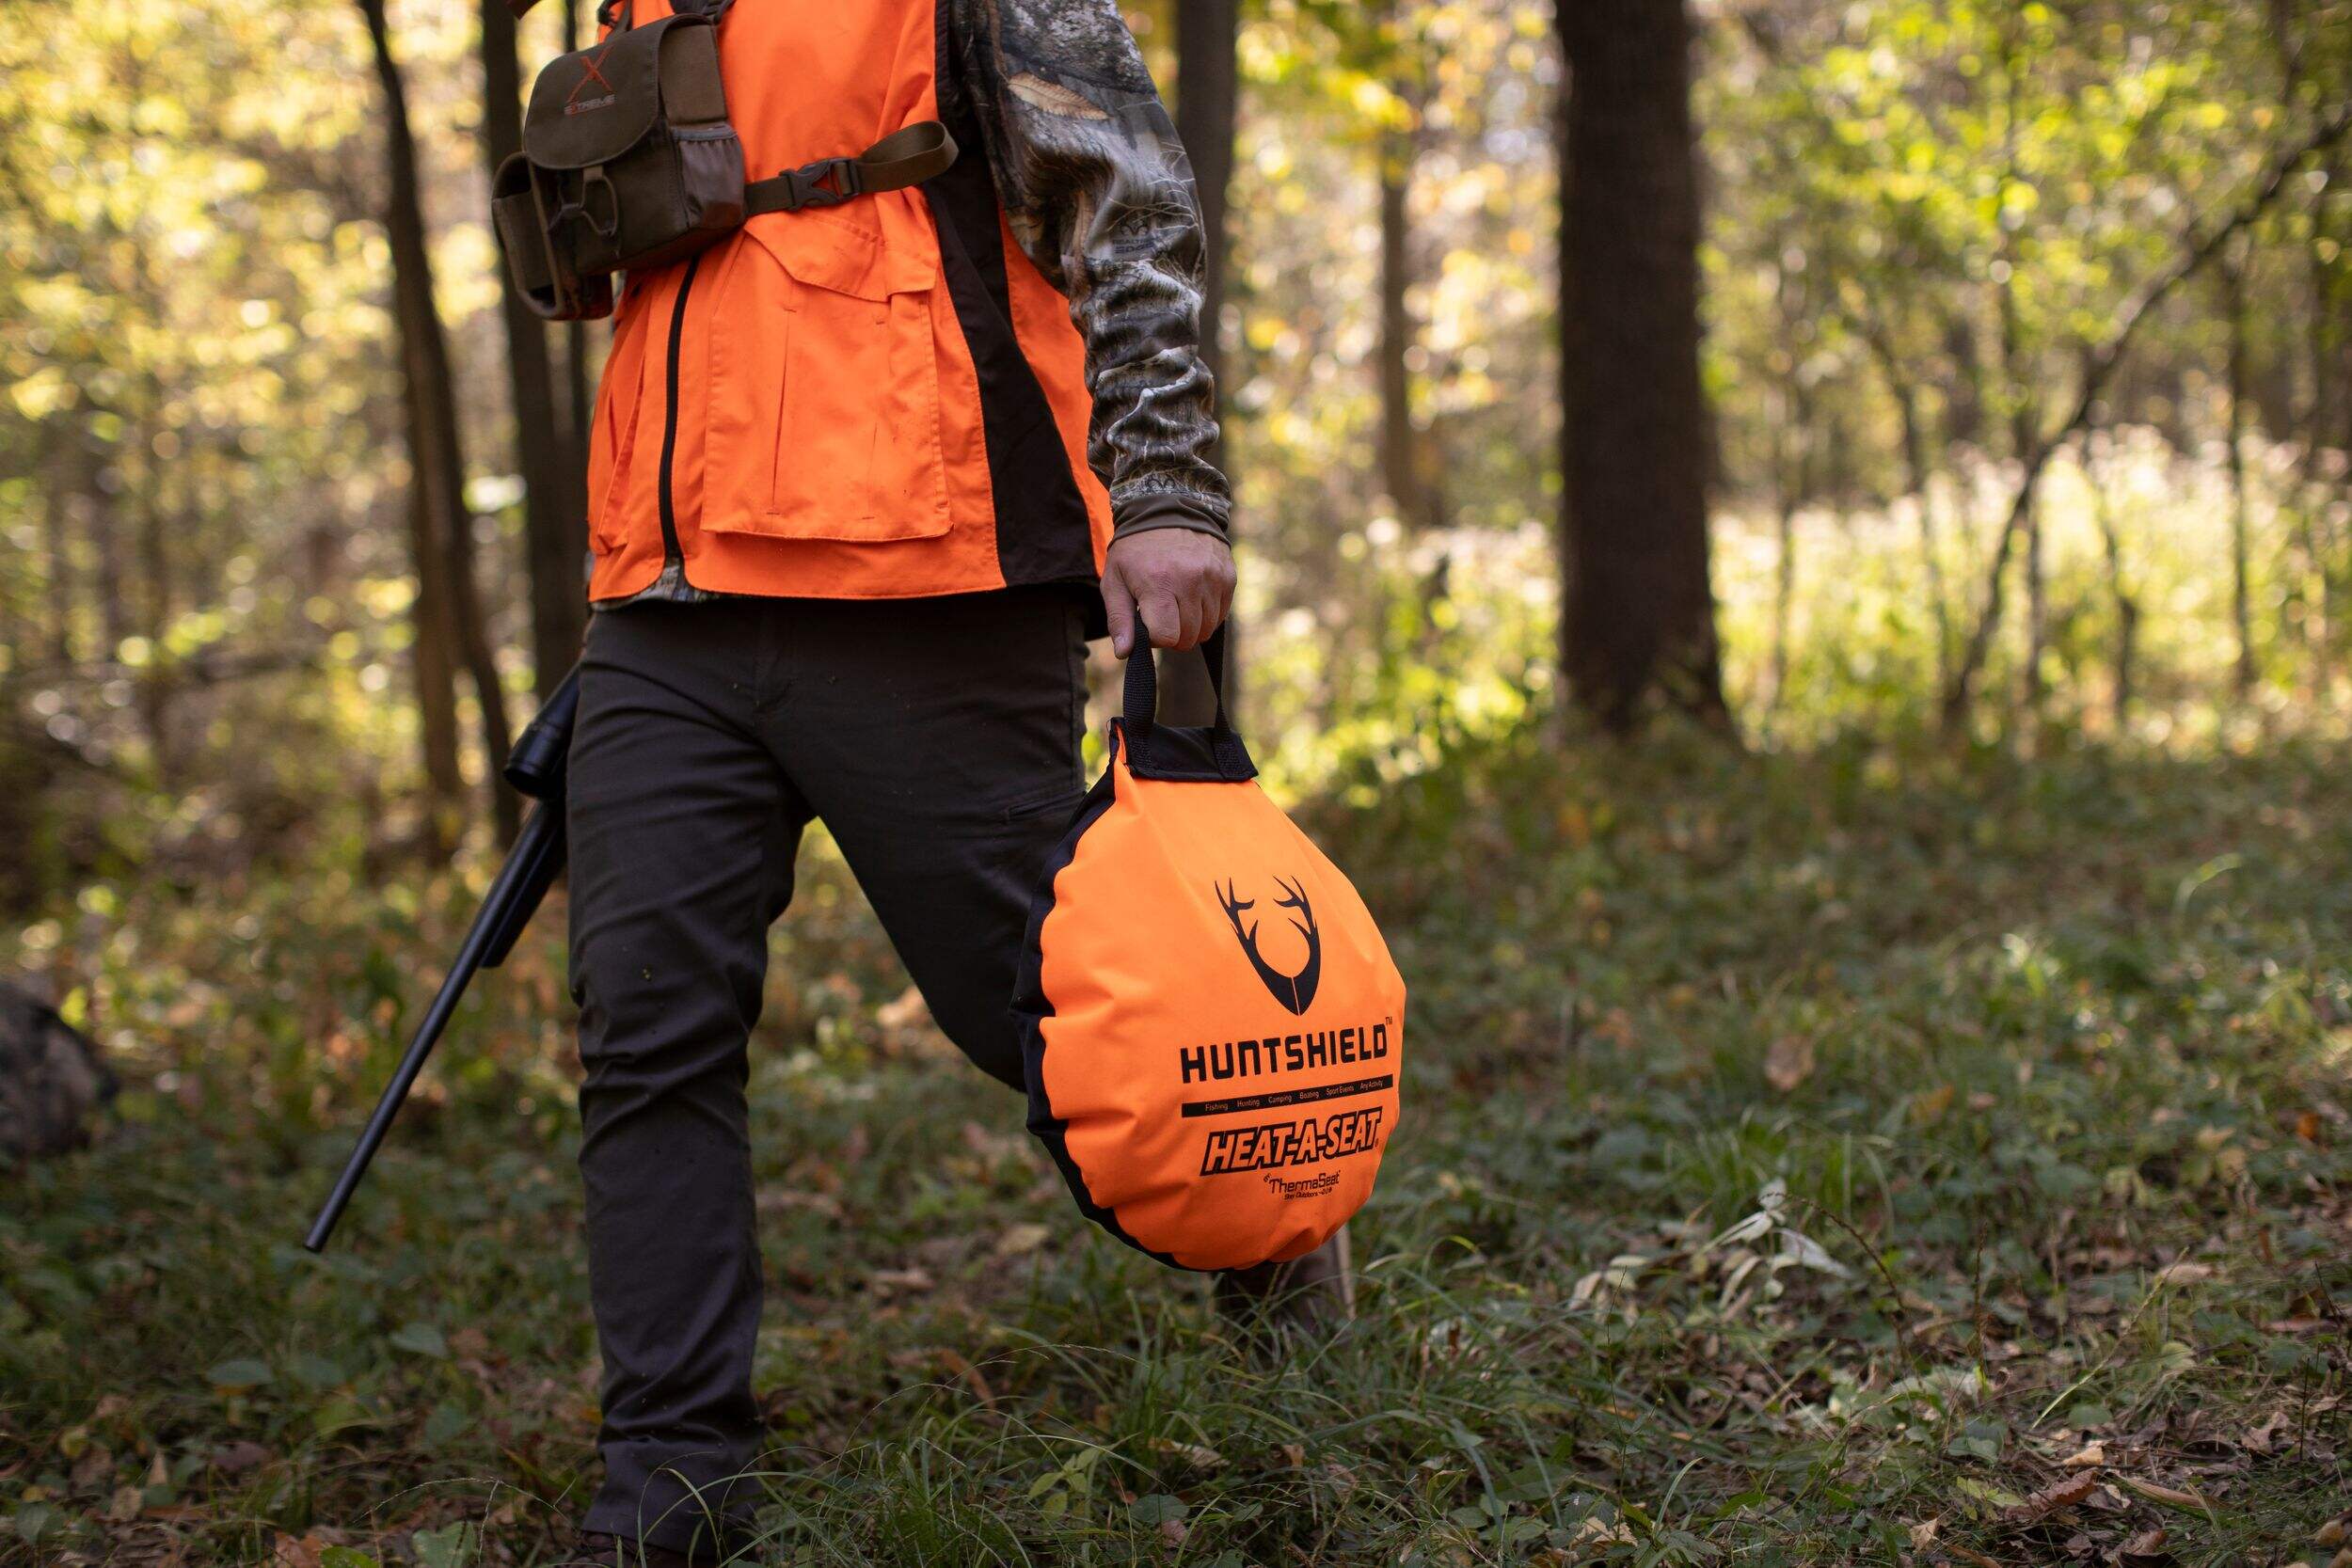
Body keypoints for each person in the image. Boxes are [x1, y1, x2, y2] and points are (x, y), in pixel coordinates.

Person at [550, 0, 1344, 1560]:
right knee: (642, 1026)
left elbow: (1128, 192)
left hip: (926, 564)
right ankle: (670, 1476)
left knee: (1056, 1010)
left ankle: (1279, 1255)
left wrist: (1166, 492)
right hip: (663, 597)